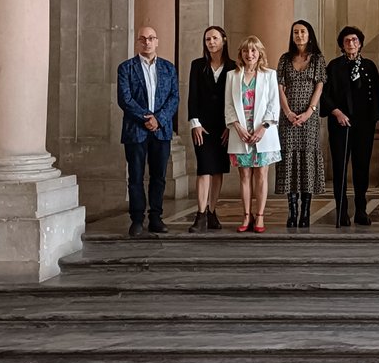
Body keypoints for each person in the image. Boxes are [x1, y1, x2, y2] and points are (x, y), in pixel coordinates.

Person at [116, 27, 180, 237]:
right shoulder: (126, 68)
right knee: (135, 176)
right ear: (138, 42)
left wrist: (158, 119)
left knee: (158, 176)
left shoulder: (168, 68)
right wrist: (147, 118)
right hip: (136, 130)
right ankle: (136, 219)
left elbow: (174, 98)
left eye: (151, 38)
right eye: (143, 39)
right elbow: (125, 99)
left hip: (161, 130)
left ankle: (156, 216)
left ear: (157, 41)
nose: (147, 42)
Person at [322, 26, 379, 227]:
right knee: (340, 168)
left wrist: (375, 119)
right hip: (340, 123)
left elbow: (377, 94)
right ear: (342, 44)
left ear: (360, 43)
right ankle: (341, 211)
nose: (351, 43)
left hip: (364, 125)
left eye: (355, 40)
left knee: (361, 168)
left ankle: (360, 210)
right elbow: (325, 94)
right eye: (347, 40)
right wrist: (337, 112)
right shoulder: (334, 66)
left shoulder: (369, 66)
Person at [224, 36, 281, 234]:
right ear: (241, 54)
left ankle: (260, 216)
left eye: (254, 51)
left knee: (262, 175)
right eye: (246, 51)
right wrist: (238, 127)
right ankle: (246, 215)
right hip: (240, 131)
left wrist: (263, 128)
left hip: (262, 131)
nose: (250, 55)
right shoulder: (232, 75)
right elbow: (229, 106)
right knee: (245, 175)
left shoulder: (269, 74)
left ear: (260, 54)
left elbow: (274, 104)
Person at [276, 20, 328, 229]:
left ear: (310, 35)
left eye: (303, 32)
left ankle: (306, 211)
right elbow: (279, 87)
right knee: (289, 159)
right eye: (295, 32)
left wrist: (309, 112)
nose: (299, 35)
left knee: (307, 160)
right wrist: (288, 112)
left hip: (309, 119)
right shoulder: (284, 59)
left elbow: (319, 87)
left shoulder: (317, 59)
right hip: (288, 119)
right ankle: (292, 210)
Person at [186, 25, 236, 233]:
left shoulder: (234, 66)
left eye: (215, 38)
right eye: (207, 39)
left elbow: (235, 98)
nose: (211, 42)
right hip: (203, 127)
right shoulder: (197, 65)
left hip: (224, 127)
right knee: (204, 169)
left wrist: (230, 126)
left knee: (217, 171)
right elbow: (192, 96)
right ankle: (200, 214)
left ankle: (212, 212)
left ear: (223, 40)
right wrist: (194, 123)